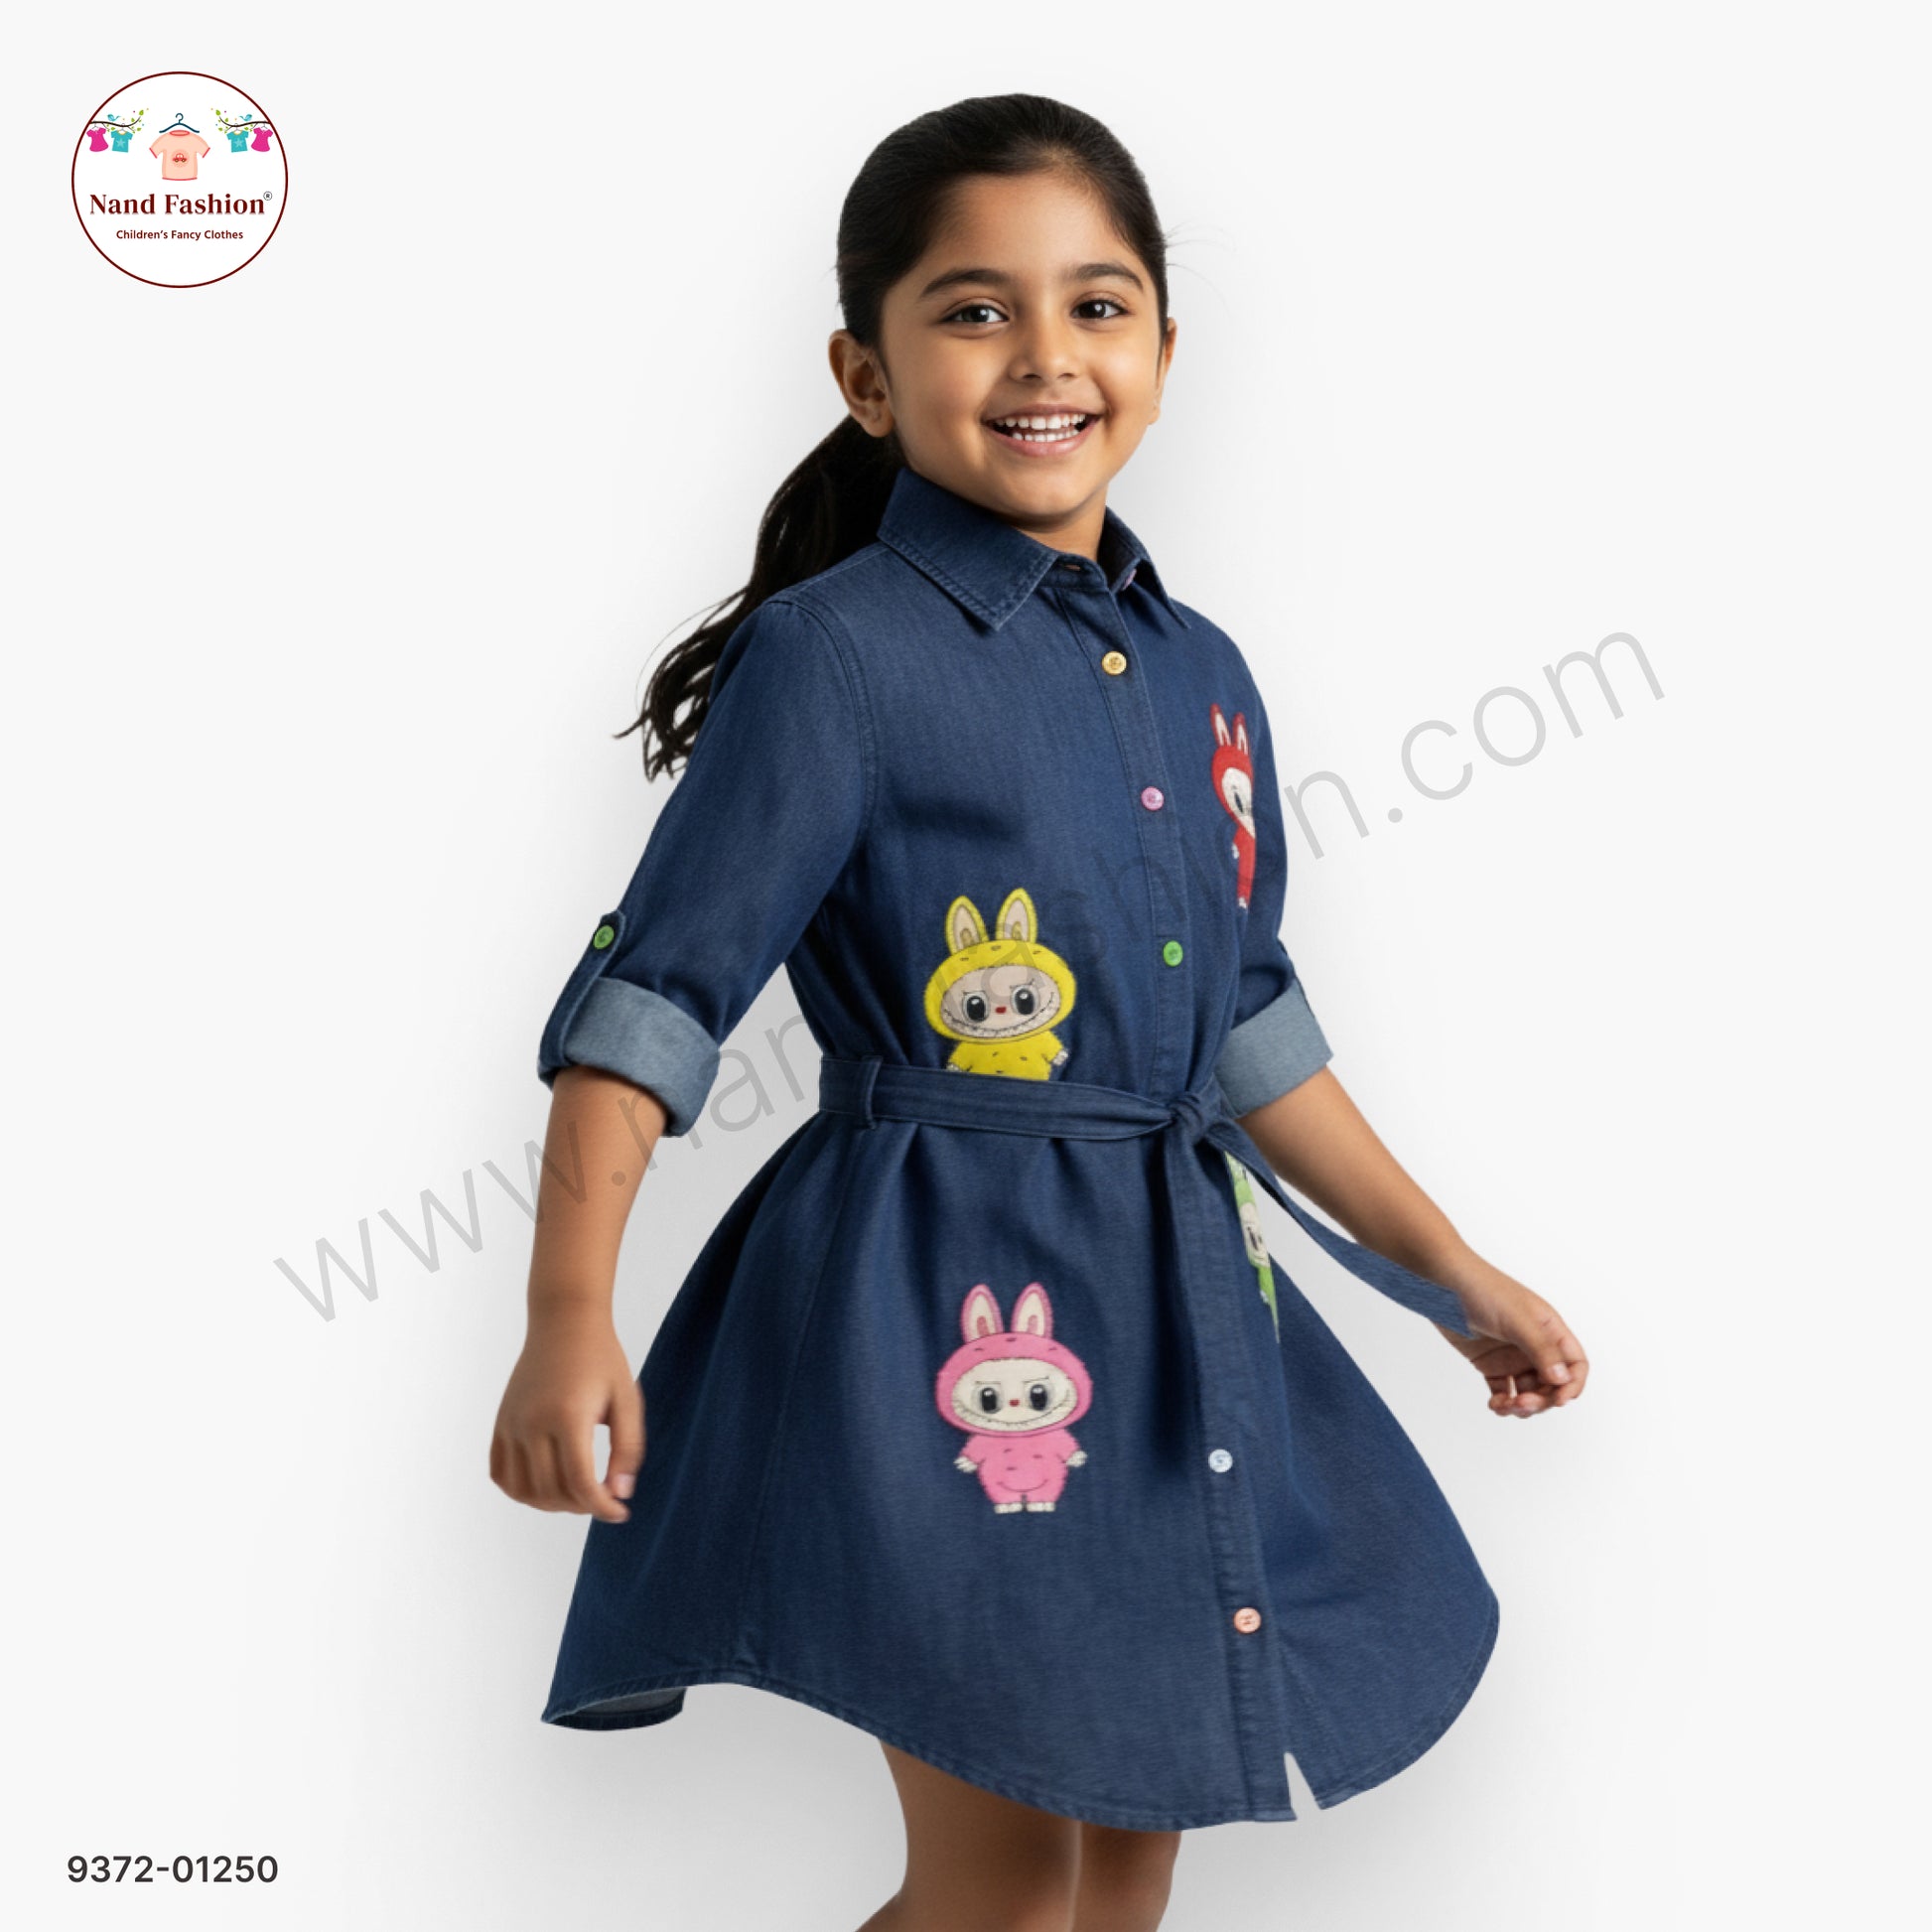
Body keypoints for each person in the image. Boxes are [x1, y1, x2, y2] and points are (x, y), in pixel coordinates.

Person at [491, 92, 1588, 1932]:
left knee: (1122, 1860)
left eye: (1095, 304)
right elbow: (655, 999)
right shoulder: (833, 657)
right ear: (865, 373)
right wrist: (563, 1315)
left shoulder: (1203, 671)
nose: (1043, 355)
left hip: (1177, 1317)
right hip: (938, 1316)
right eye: (973, 309)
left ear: (1161, 346)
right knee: (1000, 1889)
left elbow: (1246, 1025)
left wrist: (1449, 1273)